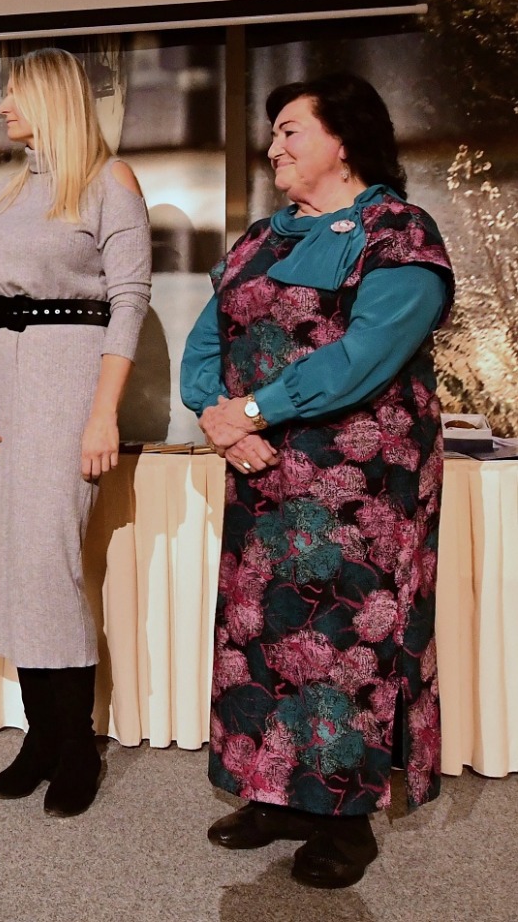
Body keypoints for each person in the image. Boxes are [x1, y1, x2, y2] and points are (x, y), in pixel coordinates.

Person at [180, 73, 453, 888]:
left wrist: (252, 410)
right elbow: (207, 340)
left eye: (290, 130)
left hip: (360, 485)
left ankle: (343, 821)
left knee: (341, 648)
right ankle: (274, 795)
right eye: (272, 134)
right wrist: (219, 418)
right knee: (261, 639)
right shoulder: (260, 239)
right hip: (262, 473)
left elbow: (366, 354)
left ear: (344, 139)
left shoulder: (397, 231)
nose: (274, 148)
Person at [0, 47, 151, 816]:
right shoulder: (9, 192)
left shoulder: (109, 181)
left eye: (13, 93)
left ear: (51, 98)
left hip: (66, 379)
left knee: (49, 559)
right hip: (0, 383)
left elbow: (129, 300)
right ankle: (40, 735)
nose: (2, 106)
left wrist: (103, 410)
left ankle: (77, 746)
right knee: (11, 557)